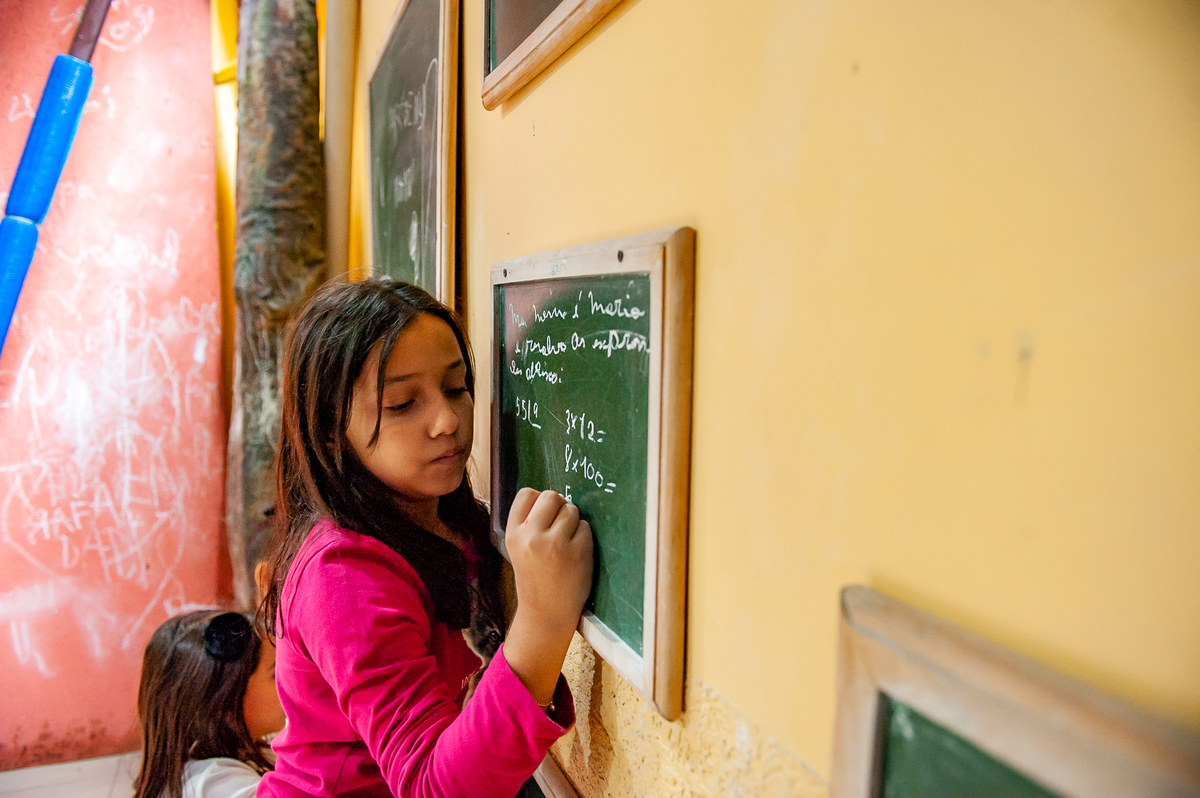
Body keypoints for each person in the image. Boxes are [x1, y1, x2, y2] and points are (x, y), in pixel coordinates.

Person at [256, 278, 593, 798]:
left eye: (457, 388)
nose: (447, 421)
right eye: (402, 403)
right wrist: (544, 620)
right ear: (330, 429)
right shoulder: (341, 579)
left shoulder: (447, 519)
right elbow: (431, 789)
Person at [134, 610, 287, 798]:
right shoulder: (216, 783)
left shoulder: (227, 759)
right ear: (226, 700)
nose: (289, 682)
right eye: (275, 673)